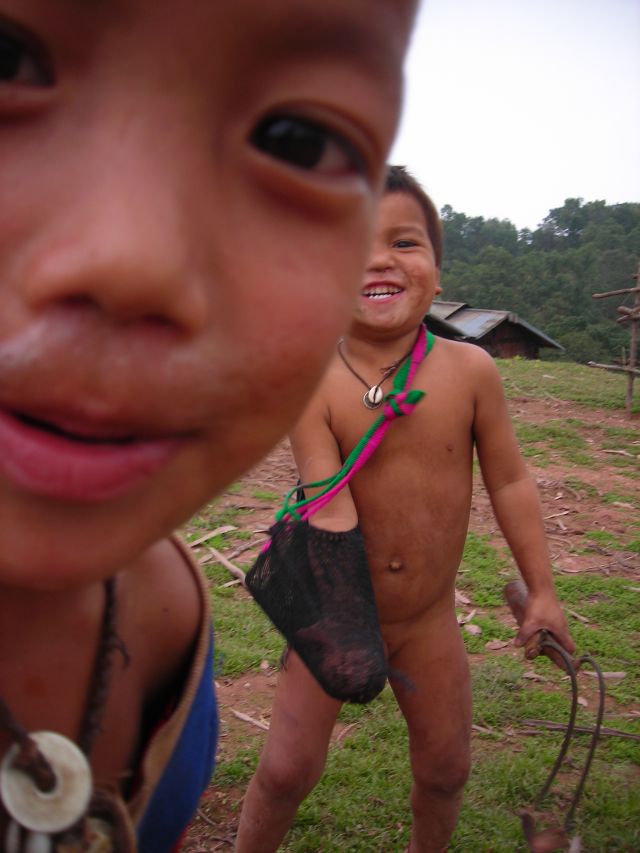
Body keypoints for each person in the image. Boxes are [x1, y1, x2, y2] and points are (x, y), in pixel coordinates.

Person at [0, 4, 420, 851]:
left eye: (299, 139)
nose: (131, 263)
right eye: (7, 59)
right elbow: (321, 493)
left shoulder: (176, 624)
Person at [235, 165, 575, 853]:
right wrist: (347, 642)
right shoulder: (312, 382)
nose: (379, 258)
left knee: (447, 769)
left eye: (405, 243)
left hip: (428, 619)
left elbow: (509, 481)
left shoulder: (471, 371)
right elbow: (327, 510)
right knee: (285, 769)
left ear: (439, 274)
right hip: (336, 611)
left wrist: (541, 589)